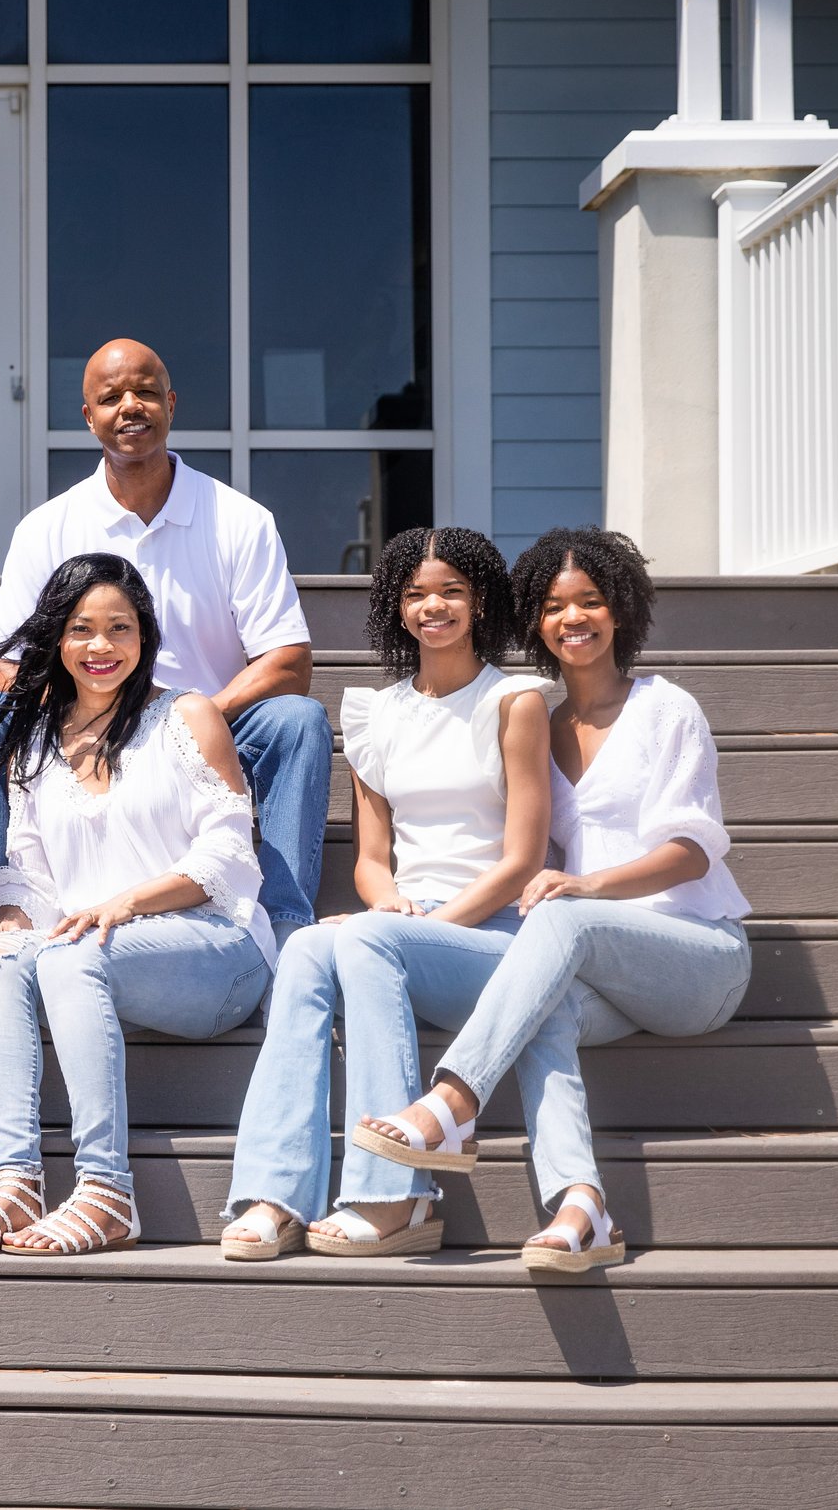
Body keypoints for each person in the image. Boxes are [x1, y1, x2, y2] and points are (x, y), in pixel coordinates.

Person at [348, 528, 754, 1274]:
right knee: (538, 1003)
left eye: (591, 602)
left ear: (620, 609)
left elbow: (694, 848)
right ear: (531, 621)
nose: (574, 619)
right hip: (598, 971)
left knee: (556, 920)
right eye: (555, 606)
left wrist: (589, 886)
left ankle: (449, 1104)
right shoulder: (538, 720)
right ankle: (582, 1205)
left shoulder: (666, 709)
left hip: (695, 954)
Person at [219, 528, 548, 1261]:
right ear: (396, 607)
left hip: (492, 936)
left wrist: (415, 923)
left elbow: (523, 859)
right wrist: (392, 905)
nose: (433, 605)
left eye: (451, 591)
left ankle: (394, 1193)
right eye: (416, 593)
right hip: (406, 926)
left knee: (365, 939)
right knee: (304, 945)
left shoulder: (515, 702)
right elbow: (372, 859)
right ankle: (276, 1193)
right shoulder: (376, 712)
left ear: (481, 599)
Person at [0, 555, 275, 1258]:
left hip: (219, 948)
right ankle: (17, 1184)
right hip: (88, 951)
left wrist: (126, 902)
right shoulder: (34, 738)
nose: (101, 646)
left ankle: (105, 1189)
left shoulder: (185, 716)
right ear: (56, 638)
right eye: (83, 628)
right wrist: (7, 925)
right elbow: (27, 875)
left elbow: (229, 857)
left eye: (120, 628)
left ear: (144, 637)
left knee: (71, 952)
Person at [0, 339, 331, 943]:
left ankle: (287, 925)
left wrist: (193, 718)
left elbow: (287, 660)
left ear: (171, 403)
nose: (130, 407)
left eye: (145, 392)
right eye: (111, 398)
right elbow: (3, 663)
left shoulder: (239, 519)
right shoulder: (47, 527)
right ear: (88, 416)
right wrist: (75, 718)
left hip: (208, 727)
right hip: (80, 719)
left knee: (297, 721)